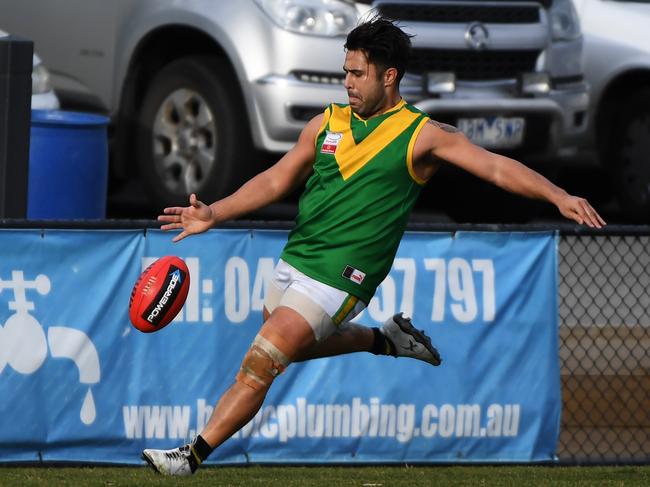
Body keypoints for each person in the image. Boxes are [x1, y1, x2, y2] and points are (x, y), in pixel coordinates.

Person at [142, 17, 605, 476]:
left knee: (261, 361)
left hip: (342, 276)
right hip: (297, 259)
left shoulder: (420, 134)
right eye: (345, 71)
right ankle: (384, 339)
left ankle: (191, 455)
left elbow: (497, 168)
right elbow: (278, 178)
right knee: (294, 350)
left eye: (357, 73)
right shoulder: (327, 122)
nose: (347, 82)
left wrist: (559, 196)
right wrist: (214, 213)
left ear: (389, 76)